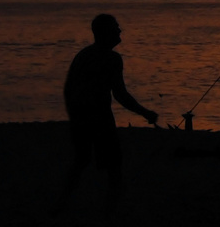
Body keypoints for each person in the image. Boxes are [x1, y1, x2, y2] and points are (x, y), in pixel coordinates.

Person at [52, 13, 160, 214]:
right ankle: (109, 211)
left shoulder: (83, 55)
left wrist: (74, 117)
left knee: (82, 161)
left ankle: (62, 204)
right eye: (116, 27)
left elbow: (68, 89)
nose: (120, 31)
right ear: (105, 32)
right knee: (113, 167)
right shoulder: (111, 59)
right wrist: (146, 113)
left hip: (81, 118)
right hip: (99, 119)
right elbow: (120, 94)